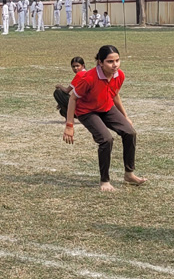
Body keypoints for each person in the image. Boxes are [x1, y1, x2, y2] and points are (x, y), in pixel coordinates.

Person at [63, 45, 147, 191]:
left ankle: (129, 174)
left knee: (130, 132)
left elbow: (114, 95)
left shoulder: (119, 75)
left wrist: (125, 116)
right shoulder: (88, 78)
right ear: (100, 63)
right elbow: (72, 98)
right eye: (110, 61)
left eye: (117, 60)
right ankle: (105, 181)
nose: (115, 65)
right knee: (106, 139)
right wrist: (69, 125)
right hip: (87, 112)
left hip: (106, 108)